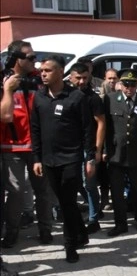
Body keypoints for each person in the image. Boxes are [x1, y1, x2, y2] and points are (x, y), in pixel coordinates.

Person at [31, 55, 95, 263]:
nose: (43, 74)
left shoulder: (76, 97)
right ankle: (81, 234)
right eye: (42, 70)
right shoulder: (39, 97)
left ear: (60, 72)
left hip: (71, 158)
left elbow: (87, 129)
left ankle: (70, 245)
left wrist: (90, 158)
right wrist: (37, 158)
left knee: (67, 202)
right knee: (65, 201)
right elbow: (35, 129)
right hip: (48, 160)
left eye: (48, 70)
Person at [1, 40, 54, 247]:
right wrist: (8, 89)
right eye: (30, 57)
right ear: (16, 59)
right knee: (15, 192)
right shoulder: (3, 80)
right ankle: (12, 232)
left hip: (37, 146)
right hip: (11, 146)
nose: (35, 60)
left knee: (43, 190)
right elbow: (4, 115)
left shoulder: (39, 81)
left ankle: (46, 230)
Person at [104, 69, 137, 237]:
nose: (129, 88)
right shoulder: (110, 99)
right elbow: (105, 128)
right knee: (117, 191)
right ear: (121, 84)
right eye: (126, 85)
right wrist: (104, 150)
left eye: (133, 85)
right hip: (116, 153)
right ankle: (120, 224)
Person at [68, 63, 106, 234]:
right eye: (78, 78)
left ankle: (93, 219)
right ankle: (94, 208)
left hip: (88, 147)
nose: (82, 81)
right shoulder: (66, 96)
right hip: (69, 147)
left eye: (85, 78)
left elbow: (101, 123)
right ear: (71, 77)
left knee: (89, 184)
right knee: (74, 182)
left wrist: (97, 149)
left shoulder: (93, 98)